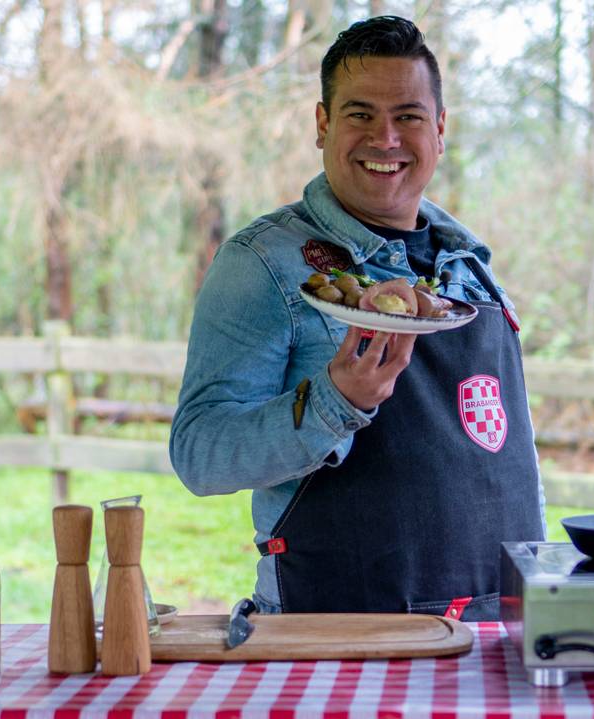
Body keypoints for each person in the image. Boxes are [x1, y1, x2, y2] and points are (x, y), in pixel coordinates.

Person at [170, 15, 544, 621]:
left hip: (498, 629)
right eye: (360, 114)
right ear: (322, 125)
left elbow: (502, 452)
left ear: (440, 130)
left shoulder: (471, 264)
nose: (386, 137)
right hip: (341, 634)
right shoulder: (264, 263)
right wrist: (335, 400)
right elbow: (199, 454)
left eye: (409, 116)